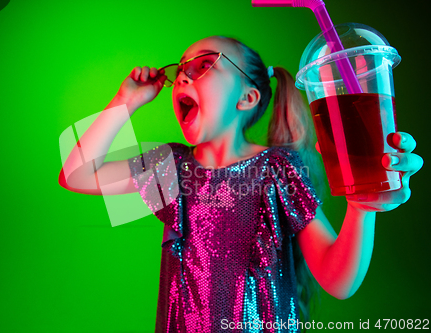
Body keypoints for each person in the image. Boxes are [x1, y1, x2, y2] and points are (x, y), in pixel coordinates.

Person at [58, 35, 423, 332]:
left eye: (204, 66)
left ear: (247, 98)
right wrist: (127, 101)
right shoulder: (169, 167)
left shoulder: (278, 168)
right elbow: (75, 175)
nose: (183, 77)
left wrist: (362, 209)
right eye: (181, 71)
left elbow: (338, 280)